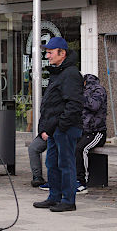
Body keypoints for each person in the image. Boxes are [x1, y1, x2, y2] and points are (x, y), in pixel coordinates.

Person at [33, 37, 83, 212]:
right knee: (52, 163)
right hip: (55, 129)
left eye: (50, 52)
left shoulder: (70, 74)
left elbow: (74, 104)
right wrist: (47, 128)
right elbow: (52, 104)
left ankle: (68, 200)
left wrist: (61, 125)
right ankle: (54, 197)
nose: (47, 56)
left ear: (62, 53)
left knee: (66, 163)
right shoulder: (59, 73)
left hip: (66, 128)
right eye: (46, 52)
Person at [76, 74, 107, 194]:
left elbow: (94, 106)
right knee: (72, 147)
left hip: (97, 132)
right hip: (84, 131)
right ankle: (74, 179)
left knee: (81, 149)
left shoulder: (98, 90)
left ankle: (83, 181)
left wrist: (81, 96)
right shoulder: (84, 91)